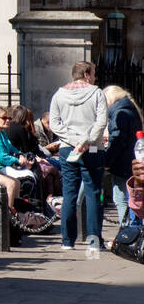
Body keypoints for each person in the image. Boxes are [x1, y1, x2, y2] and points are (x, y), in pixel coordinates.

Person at [49, 61, 109, 250]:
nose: (95, 77)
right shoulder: (97, 93)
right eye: (93, 74)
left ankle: (67, 241)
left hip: (68, 148)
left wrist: (73, 139)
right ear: (86, 75)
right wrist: (87, 140)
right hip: (91, 149)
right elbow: (101, 121)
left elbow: (54, 124)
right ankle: (94, 242)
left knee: (69, 193)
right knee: (93, 194)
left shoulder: (58, 95)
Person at [103, 86, 143, 228]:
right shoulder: (132, 109)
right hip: (133, 162)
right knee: (133, 199)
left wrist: (107, 160)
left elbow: (117, 139)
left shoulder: (120, 113)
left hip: (122, 164)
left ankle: (127, 233)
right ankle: (134, 230)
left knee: (121, 199)